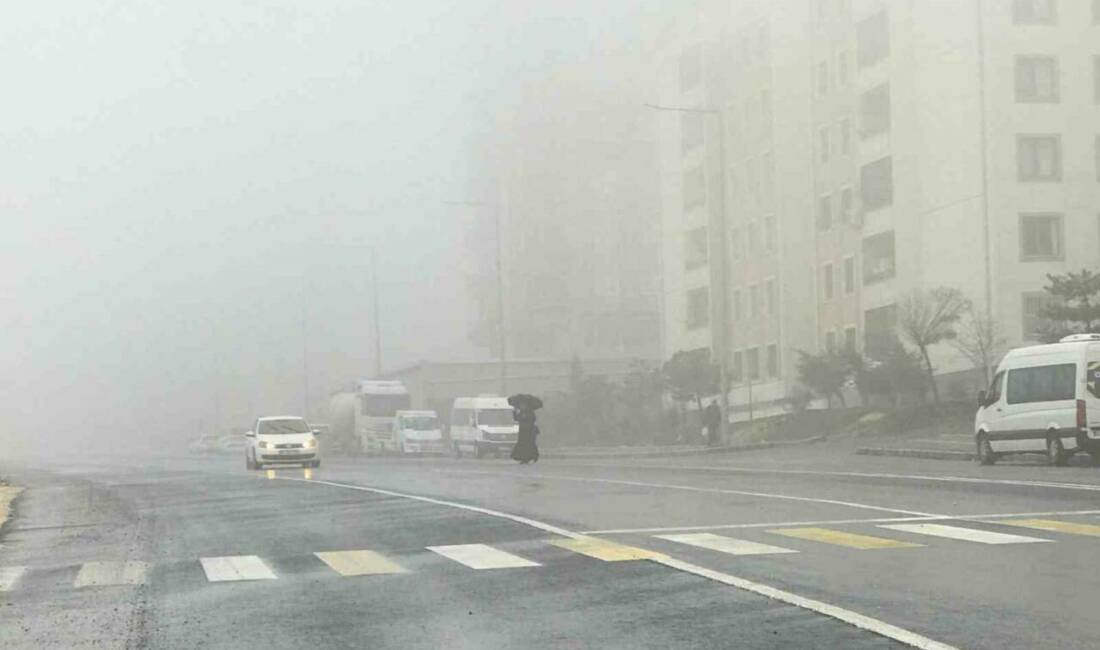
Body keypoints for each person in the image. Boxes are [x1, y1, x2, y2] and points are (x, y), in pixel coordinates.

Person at [508, 393, 542, 464]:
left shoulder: (530, 412)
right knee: (522, 444)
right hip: (523, 431)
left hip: (530, 431)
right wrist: (514, 412)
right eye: (521, 405)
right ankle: (523, 458)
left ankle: (532, 457)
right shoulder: (521, 412)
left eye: (523, 405)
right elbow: (516, 419)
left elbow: (532, 420)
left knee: (530, 444)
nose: (522, 406)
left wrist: (525, 419)